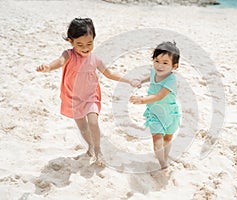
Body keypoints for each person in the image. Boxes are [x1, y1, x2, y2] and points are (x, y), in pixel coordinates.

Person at [36, 18, 140, 166]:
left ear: (94, 40)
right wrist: (48, 67)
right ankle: (90, 146)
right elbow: (59, 62)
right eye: (80, 44)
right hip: (73, 97)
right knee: (82, 127)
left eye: (89, 44)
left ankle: (98, 151)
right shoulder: (69, 55)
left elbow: (109, 74)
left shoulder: (95, 59)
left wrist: (128, 80)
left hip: (91, 96)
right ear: (71, 42)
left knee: (92, 122)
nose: (85, 48)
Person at [130, 41, 180, 169]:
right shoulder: (155, 71)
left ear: (174, 66)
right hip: (155, 113)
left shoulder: (171, 80)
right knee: (157, 137)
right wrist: (141, 80)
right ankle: (162, 163)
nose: (159, 66)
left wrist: (142, 100)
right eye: (156, 61)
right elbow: (151, 76)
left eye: (165, 63)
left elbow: (159, 96)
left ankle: (165, 156)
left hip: (170, 113)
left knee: (168, 137)